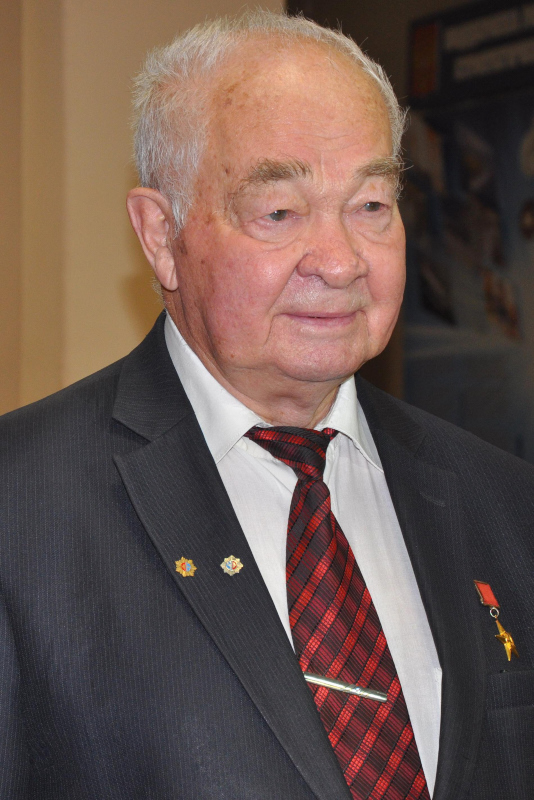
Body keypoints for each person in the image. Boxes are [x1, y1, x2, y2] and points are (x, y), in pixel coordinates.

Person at [0, 11, 532, 800]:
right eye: (280, 213)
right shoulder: (21, 509)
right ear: (161, 235)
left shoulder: (506, 504)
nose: (341, 261)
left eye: (372, 205)